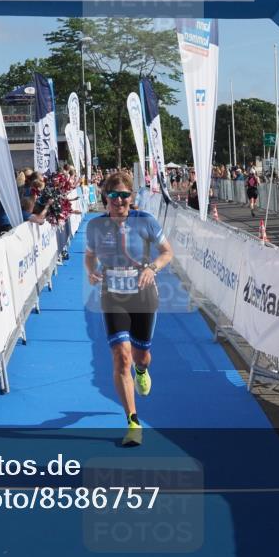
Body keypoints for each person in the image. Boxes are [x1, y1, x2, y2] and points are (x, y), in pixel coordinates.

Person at [84, 172, 173, 447]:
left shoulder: (145, 221)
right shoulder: (95, 226)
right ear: (106, 199)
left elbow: (167, 251)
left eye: (124, 195)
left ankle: (143, 371)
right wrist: (91, 271)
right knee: (121, 357)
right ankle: (133, 422)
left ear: (131, 198)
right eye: (114, 196)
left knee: (140, 356)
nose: (120, 201)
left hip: (144, 298)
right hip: (113, 298)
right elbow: (89, 255)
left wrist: (152, 268)